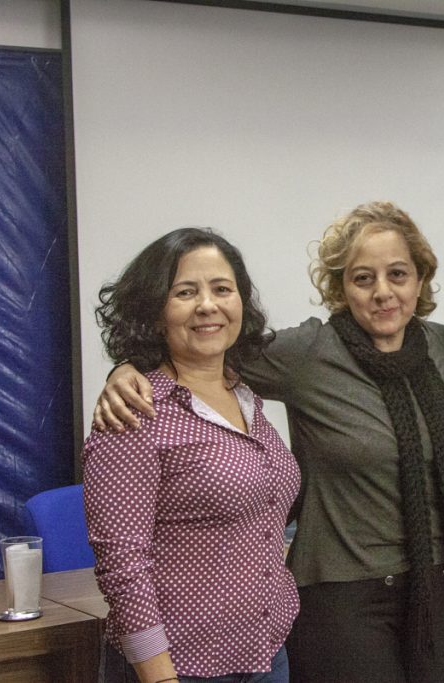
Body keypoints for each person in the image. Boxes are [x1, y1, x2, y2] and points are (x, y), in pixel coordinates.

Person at [92, 202, 444, 682]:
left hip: (274, 644)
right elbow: (123, 562)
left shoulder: (244, 399)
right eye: (362, 278)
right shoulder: (144, 411)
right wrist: (126, 367)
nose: (383, 292)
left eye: (398, 273)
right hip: (227, 643)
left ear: (421, 278)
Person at [83, 228, 300, 683]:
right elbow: (124, 568)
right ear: (155, 312)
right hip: (179, 668)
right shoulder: (133, 413)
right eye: (185, 292)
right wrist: (160, 677)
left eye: (222, 289)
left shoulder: (244, 395)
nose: (208, 305)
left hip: (264, 655)